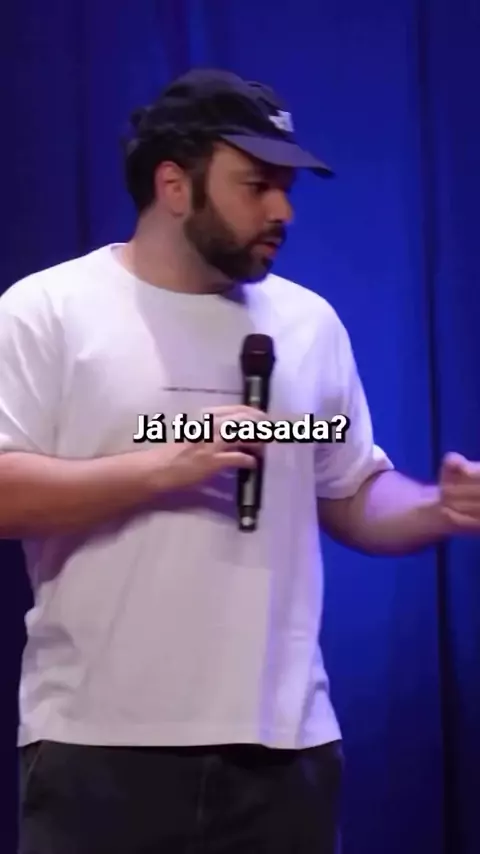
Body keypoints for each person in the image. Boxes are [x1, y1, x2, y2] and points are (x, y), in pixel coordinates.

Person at [1, 68, 480, 854]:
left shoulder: (308, 325)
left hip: (284, 750)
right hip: (99, 746)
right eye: (256, 185)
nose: (282, 210)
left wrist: (437, 507)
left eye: (286, 189)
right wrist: (163, 467)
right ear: (174, 184)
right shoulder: (48, 311)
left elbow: (352, 491)